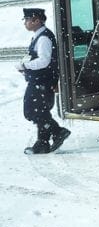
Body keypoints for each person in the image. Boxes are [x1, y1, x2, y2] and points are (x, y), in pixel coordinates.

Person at [17, 8, 70, 154]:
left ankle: (58, 132)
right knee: (40, 111)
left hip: (41, 81)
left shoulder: (43, 38)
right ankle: (43, 143)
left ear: (37, 20)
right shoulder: (39, 36)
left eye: (27, 19)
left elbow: (44, 61)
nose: (25, 23)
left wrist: (25, 65)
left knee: (33, 111)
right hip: (41, 80)